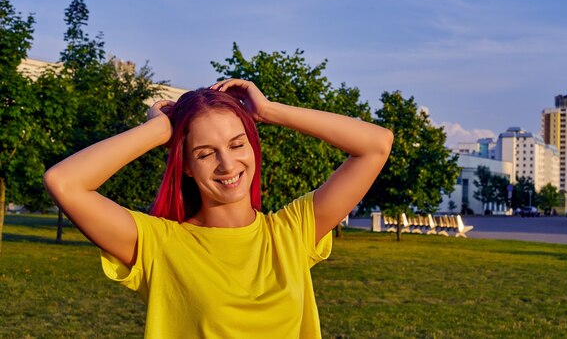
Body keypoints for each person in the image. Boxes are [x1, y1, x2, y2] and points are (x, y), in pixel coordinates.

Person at [44, 78, 393, 338]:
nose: (228, 164)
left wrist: (269, 110)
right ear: (185, 165)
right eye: (205, 153)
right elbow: (65, 182)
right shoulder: (159, 244)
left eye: (237, 144)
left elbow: (377, 144)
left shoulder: (292, 231)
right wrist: (158, 131)